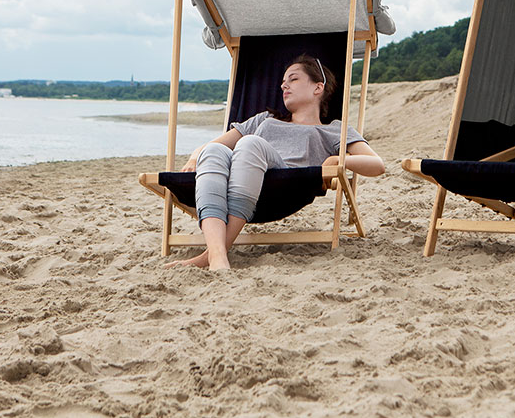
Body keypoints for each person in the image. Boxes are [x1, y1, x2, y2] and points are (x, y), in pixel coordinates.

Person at [165, 54, 385, 270]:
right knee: (214, 150)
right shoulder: (264, 119)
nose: (283, 86)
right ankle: (216, 254)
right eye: (282, 82)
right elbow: (212, 145)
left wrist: (338, 159)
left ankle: (212, 254)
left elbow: (376, 164)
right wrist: (196, 156)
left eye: (293, 79)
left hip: (284, 184)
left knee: (251, 144)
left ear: (318, 88)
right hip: (237, 176)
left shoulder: (334, 130)